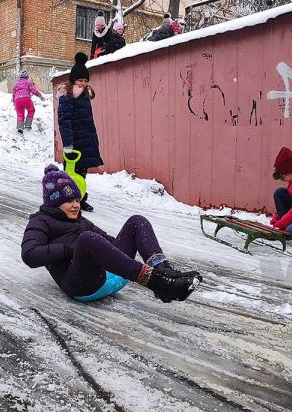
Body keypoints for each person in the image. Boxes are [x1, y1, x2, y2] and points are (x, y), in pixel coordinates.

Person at [21, 165, 202, 302]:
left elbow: (108, 244)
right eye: (69, 201)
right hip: (81, 286)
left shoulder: (81, 221)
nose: (76, 205)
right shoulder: (40, 221)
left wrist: (117, 251)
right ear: (54, 202)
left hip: (106, 276)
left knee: (137, 221)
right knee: (88, 239)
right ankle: (157, 282)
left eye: (77, 199)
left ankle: (164, 272)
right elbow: (30, 255)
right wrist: (70, 249)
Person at [57, 52, 102, 212]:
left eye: (85, 81)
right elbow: (64, 121)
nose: (83, 84)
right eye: (80, 80)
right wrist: (68, 145)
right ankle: (67, 199)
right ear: (73, 80)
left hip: (85, 140)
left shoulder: (84, 96)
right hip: (74, 142)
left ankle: (80, 198)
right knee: (71, 173)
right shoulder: (67, 96)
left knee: (81, 173)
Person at [12, 69, 45, 134]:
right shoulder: (28, 82)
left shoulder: (16, 84)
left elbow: (13, 94)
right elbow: (33, 90)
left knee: (20, 114)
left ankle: (20, 127)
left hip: (17, 100)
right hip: (26, 98)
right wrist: (40, 95)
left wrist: (14, 103)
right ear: (26, 76)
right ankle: (27, 125)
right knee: (31, 110)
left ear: (20, 77)